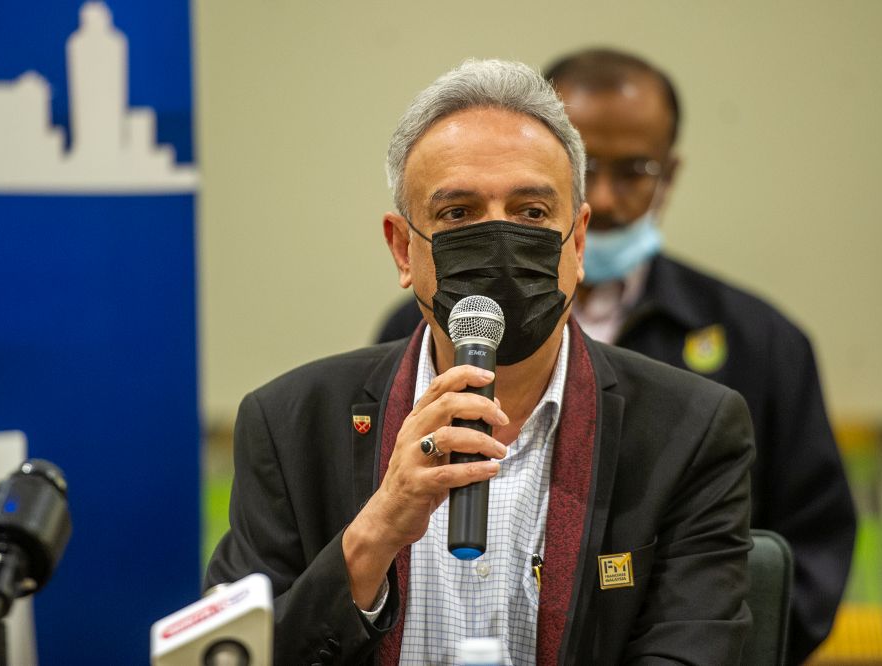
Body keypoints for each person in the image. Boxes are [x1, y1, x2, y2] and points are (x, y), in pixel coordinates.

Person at [207, 59, 756, 665]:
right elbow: (236, 655)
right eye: (458, 214)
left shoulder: (690, 430)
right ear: (402, 248)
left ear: (576, 243)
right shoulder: (289, 424)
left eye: (530, 213)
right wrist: (377, 531)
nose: (499, 241)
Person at [376, 49, 857, 664]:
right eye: (592, 167)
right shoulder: (417, 330)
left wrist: (708, 625)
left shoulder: (757, 342)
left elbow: (806, 554)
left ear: (670, 175)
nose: (605, 197)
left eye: (634, 170)